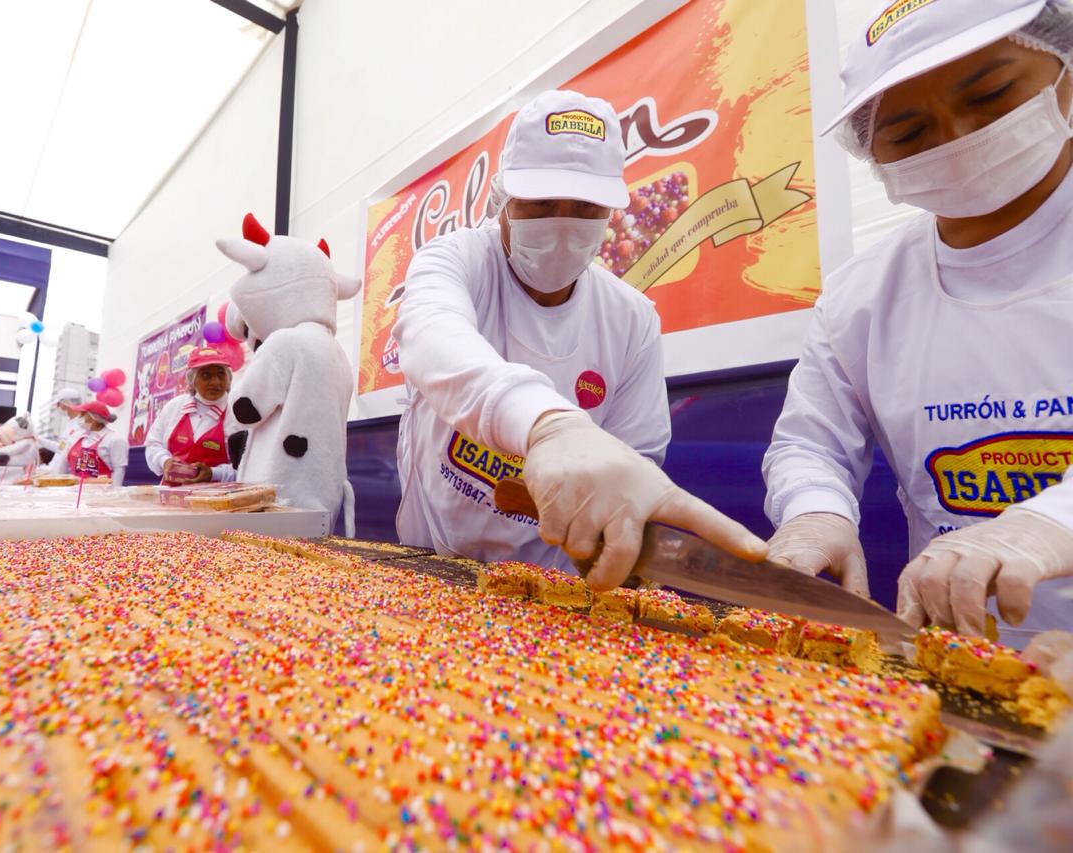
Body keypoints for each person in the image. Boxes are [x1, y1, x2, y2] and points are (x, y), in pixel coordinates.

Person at [763, 0, 1073, 638]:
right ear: (873, 156)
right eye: (908, 133)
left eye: (989, 93)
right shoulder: (863, 295)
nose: (958, 136)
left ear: (1062, 65)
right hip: (965, 672)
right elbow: (810, 442)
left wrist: (1052, 522)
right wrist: (815, 511)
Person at [393, 89, 765, 589]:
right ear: (503, 198)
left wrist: (621, 528)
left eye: (586, 208)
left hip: (548, 586)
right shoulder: (457, 262)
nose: (562, 226)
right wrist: (550, 427)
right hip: (429, 562)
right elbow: (432, 337)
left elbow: (634, 459)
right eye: (541, 204)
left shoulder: (631, 319)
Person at [145, 346, 236, 485]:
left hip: (215, 500)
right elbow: (153, 444)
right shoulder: (175, 406)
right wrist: (165, 461)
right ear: (192, 379)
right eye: (206, 375)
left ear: (228, 378)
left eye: (220, 374)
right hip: (171, 495)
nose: (215, 382)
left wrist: (213, 473)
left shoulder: (236, 413)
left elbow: (245, 465)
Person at [49, 401, 129, 486]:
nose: (79, 417)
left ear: (94, 418)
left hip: (100, 494)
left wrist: (113, 494)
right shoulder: (76, 437)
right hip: (73, 492)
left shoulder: (115, 440)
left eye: (83, 414)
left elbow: (119, 471)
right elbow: (63, 465)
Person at [37, 387, 84, 465]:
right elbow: (61, 448)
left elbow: (65, 451)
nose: (57, 407)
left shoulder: (80, 425)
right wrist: (39, 439)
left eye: (59, 404)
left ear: (67, 403)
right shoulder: (70, 424)